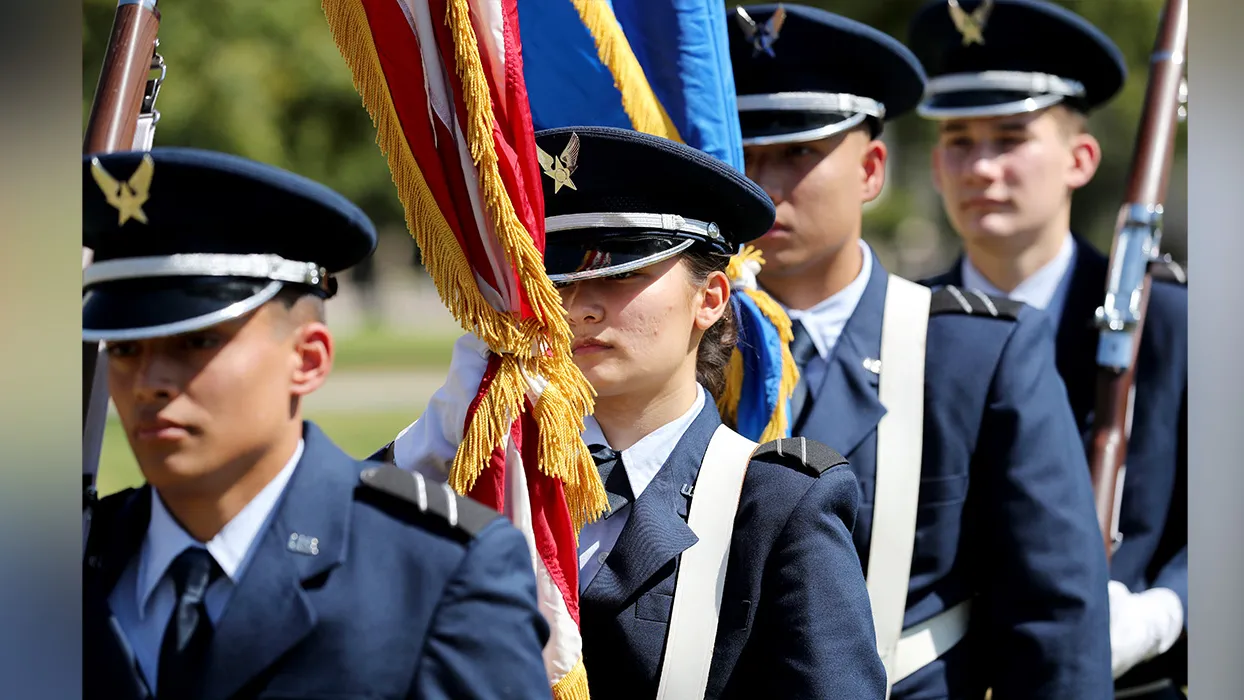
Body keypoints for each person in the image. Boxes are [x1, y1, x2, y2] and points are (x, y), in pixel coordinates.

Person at [380, 125, 887, 698]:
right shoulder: (493, 470)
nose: (578, 308)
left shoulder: (776, 503)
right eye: (555, 277)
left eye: (620, 274)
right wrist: (430, 442)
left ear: (710, 299)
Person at [726, 4, 1113, 698]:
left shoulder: (971, 351)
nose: (766, 187)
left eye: (797, 153)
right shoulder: (680, 349)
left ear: (872, 170)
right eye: (743, 158)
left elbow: (1054, 622)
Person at [81, 147, 553, 700]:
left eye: (197, 341)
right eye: (125, 348)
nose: (148, 382)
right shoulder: (66, 564)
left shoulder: (437, 571)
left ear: (307, 360)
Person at [908, 1, 1188, 696]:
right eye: (958, 140)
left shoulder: (1169, 320)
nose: (979, 166)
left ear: (1080, 158)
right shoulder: (907, 324)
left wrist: (1163, 611)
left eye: (1009, 137)